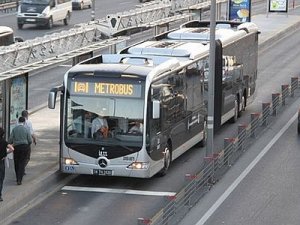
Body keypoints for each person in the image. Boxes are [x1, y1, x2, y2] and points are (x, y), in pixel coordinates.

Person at [9, 117, 32, 185]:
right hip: (24, 147)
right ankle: (20, 179)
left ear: (18, 121)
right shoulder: (26, 129)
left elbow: (10, 139)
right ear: (24, 122)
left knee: (16, 162)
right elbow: (30, 140)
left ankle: (17, 177)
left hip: (16, 147)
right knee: (22, 163)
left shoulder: (14, 129)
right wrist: (28, 145)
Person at [0, 127, 14, 202]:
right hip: (1, 163)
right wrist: (6, 153)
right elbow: (12, 149)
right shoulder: (4, 142)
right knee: (1, 179)